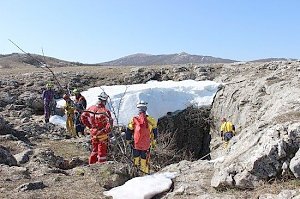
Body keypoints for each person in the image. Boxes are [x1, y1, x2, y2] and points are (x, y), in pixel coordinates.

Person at [126, 100, 158, 175]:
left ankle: (134, 175)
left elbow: (129, 131)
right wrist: (154, 143)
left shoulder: (134, 119)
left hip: (136, 144)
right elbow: (155, 134)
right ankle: (144, 175)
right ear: (145, 109)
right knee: (145, 161)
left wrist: (128, 141)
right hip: (146, 145)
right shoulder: (151, 120)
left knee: (135, 160)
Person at [80, 92, 113, 164]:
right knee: (102, 150)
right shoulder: (105, 111)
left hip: (93, 132)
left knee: (94, 149)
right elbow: (110, 122)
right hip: (102, 133)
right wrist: (106, 131)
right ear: (104, 101)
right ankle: (101, 166)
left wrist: (89, 126)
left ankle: (91, 164)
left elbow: (83, 116)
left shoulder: (91, 108)